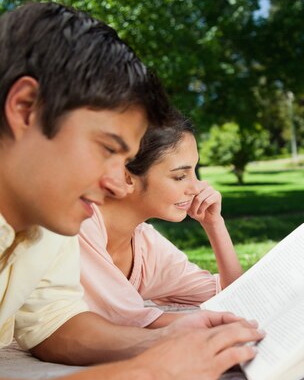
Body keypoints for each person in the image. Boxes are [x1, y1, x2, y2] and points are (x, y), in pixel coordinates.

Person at [0, 1, 264, 380]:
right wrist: (149, 376)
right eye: (106, 148)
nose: (114, 182)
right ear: (25, 108)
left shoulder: (51, 223)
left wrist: (165, 343)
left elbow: (54, 322)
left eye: (124, 160)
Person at [79, 115, 243, 328]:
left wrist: (214, 225)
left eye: (194, 171)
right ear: (127, 177)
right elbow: (124, 316)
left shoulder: (147, 249)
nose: (196, 187)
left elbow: (235, 297)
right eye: (180, 176)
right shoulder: (81, 222)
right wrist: (210, 323)